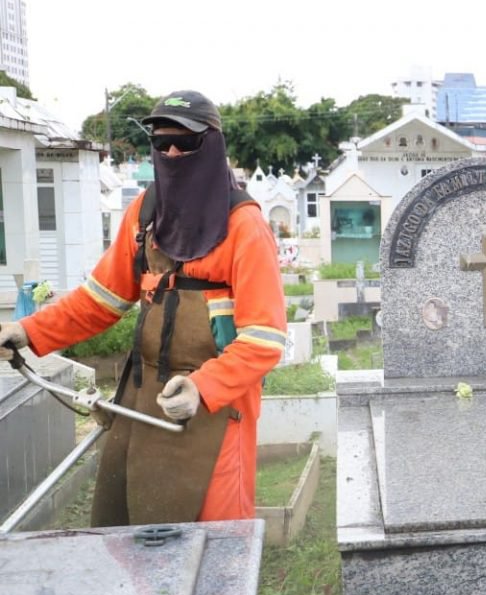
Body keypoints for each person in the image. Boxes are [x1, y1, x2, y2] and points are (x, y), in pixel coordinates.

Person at [0, 90, 286, 525]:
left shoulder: (244, 226)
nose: (172, 151)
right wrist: (28, 331)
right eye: (160, 142)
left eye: (185, 143)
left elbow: (264, 340)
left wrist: (201, 389)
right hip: (141, 399)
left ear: (211, 146)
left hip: (214, 412)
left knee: (213, 540)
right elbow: (99, 300)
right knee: (131, 527)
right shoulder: (145, 212)